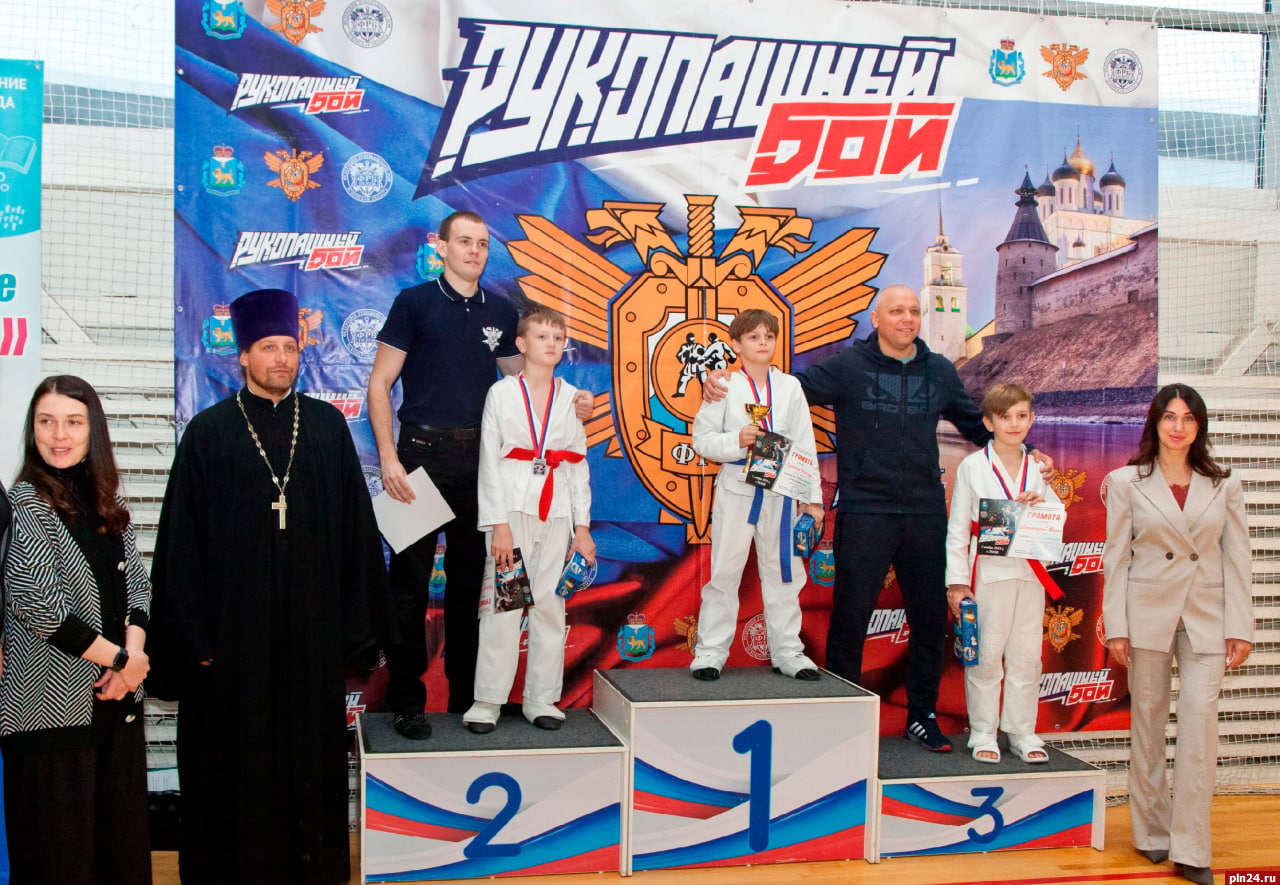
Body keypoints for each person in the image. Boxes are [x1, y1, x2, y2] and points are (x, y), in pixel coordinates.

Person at [705, 284, 1051, 752]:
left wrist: (1031, 455)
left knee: (929, 620)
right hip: (865, 508)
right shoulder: (848, 366)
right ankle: (844, 717)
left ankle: (922, 716)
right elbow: (782, 390)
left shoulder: (939, 370)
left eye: (914, 311)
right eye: (897, 311)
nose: (907, 319)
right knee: (850, 617)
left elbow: (977, 425)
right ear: (876, 318)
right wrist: (722, 384)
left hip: (924, 511)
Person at [149, 288, 394, 884]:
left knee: (308, 762)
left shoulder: (327, 427)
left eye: (289, 347)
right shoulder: (208, 433)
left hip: (310, 638)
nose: (281, 358)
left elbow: (357, 535)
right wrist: (192, 639)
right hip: (232, 645)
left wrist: (357, 632)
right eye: (267, 348)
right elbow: (180, 544)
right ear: (243, 356)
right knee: (233, 764)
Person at [369, 210, 591, 738]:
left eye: (483, 244)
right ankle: (406, 701)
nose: (474, 251)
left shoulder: (501, 310)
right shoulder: (413, 302)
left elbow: (527, 385)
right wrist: (389, 458)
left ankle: (470, 700)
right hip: (419, 458)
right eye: (464, 241)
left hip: (481, 465)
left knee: (476, 586)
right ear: (441, 246)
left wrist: (573, 402)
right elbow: (380, 384)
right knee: (408, 588)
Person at [2, 375, 152, 884]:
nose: (59, 435)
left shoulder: (107, 502)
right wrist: (122, 661)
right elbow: (40, 608)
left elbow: (139, 588)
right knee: (59, 863)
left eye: (73, 422)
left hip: (117, 709)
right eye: (46, 422)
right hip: (51, 719)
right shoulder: (25, 503)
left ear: (94, 432)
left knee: (121, 859)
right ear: (32, 430)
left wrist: (133, 659)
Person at [1102, 384, 1252, 885]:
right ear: (1155, 421)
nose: (1178, 426)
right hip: (1146, 615)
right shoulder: (1126, 482)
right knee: (1147, 724)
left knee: (1198, 729)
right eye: (1170, 416)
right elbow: (1116, 558)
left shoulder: (1224, 483)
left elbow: (1238, 558)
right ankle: (1151, 832)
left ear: (1199, 426)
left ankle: (1192, 850)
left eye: (1188, 418)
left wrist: (1241, 626)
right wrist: (1117, 627)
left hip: (1208, 617)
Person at [463, 306, 594, 733]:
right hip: (513, 512)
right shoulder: (502, 394)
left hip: (557, 514)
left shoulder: (571, 397)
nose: (551, 344)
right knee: (505, 606)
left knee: (551, 607)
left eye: (557, 338)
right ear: (521, 343)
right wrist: (497, 524)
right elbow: (489, 461)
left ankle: (541, 698)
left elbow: (577, 465)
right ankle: (487, 700)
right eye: (542, 337)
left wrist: (582, 528)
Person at [689, 309, 824, 682]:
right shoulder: (723, 385)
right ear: (736, 344)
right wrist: (737, 440)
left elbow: (805, 445)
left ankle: (788, 651)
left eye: (769, 336)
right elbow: (702, 440)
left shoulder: (790, 387)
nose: (763, 342)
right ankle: (710, 652)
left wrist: (812, 500)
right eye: (753, 337)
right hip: (737, 488)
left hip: (782, 490)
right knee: (724, 571)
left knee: (784, 572)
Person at [945, 383, 1063, 764]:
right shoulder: (973, 466)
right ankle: (982, 729)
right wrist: (957, 583)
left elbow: (1056, 519)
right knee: (986, 654)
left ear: (1032, 419)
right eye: (1005, 416)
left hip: (1029, 574)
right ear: (988, 422)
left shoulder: (1039, 468)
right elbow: (958, 527)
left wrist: (1041, 503)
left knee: (1027, 656)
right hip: (988, 573)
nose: (1014, 424)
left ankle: (1021, 730)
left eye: (1021, 416)